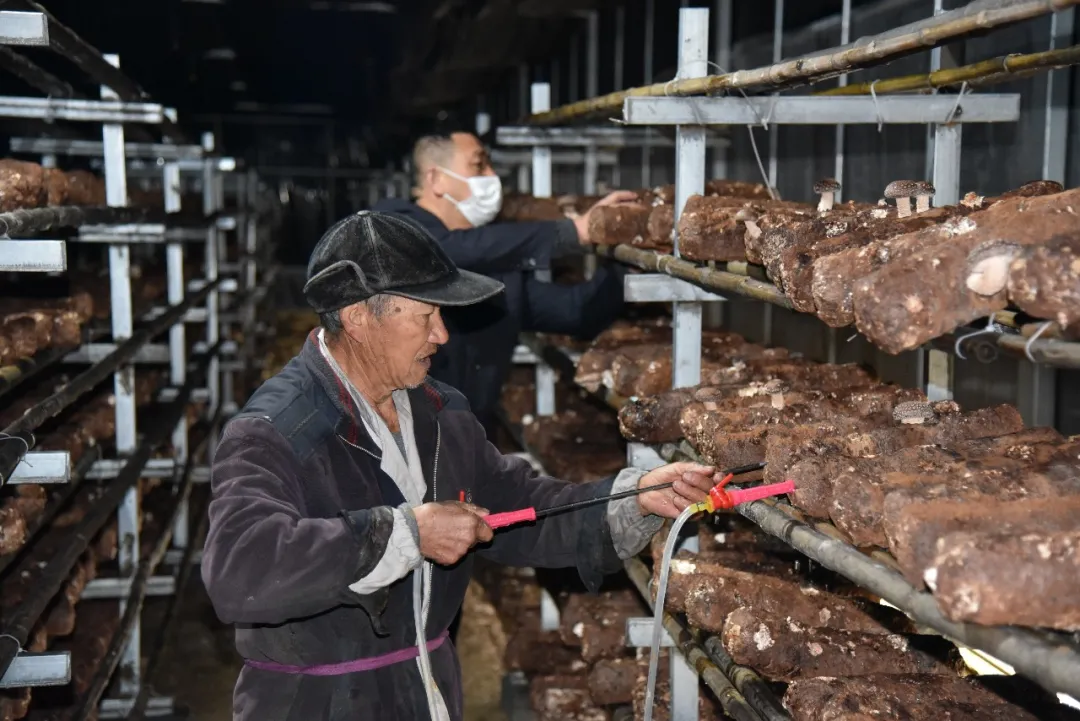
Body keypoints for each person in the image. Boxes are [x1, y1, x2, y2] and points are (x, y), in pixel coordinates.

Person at [201, 211, 723, 721]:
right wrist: (402, 534)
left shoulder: (439, 411)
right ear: (359, 317)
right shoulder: (277, 429)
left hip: (426, 688)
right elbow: (238, 568)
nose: (442, 335)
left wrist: (630, 500)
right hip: (316, 705)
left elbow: (516, 507)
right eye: (425, 316)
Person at [372, 130, 634, 439]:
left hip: (462, 442)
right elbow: (447, 250)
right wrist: (573, 232)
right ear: (436, 179)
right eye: (479, 165)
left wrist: (625, 250)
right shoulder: (390, 229)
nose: (492, 176)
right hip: (392, 437)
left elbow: (578, 312)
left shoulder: (495, 271)